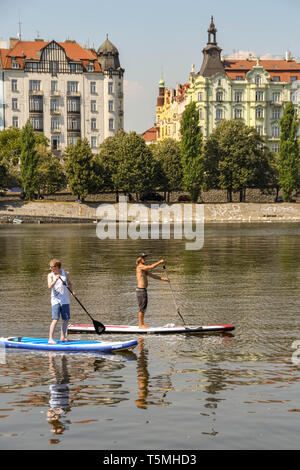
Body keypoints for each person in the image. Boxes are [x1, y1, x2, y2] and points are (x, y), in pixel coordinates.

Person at [136, 253, 169, 329]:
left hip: (143, 290)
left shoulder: (144, 269)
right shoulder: (140, 267)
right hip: (141, 291)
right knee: (142, 307)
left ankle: (142, 324)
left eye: (145, 257)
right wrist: (159, 262)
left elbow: (153, 276)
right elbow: (151, 267)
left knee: (144, 307)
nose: (144, 259)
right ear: (139, 259)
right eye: (143, 258)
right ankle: (141, 325)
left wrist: (164, 279)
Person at [48, 259, 74, 344]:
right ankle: (50, 339)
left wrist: (72, 291)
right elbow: (49, 286)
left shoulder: (65, 273)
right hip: (55, 300)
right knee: (55, 319)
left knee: (66, 319)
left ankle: (63, 337)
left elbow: (69, 283)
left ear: (57, 267)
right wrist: (55, 280)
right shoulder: (50, 275)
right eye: (50, 267)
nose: (51, 268)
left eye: (53, 267)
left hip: (65, 300)